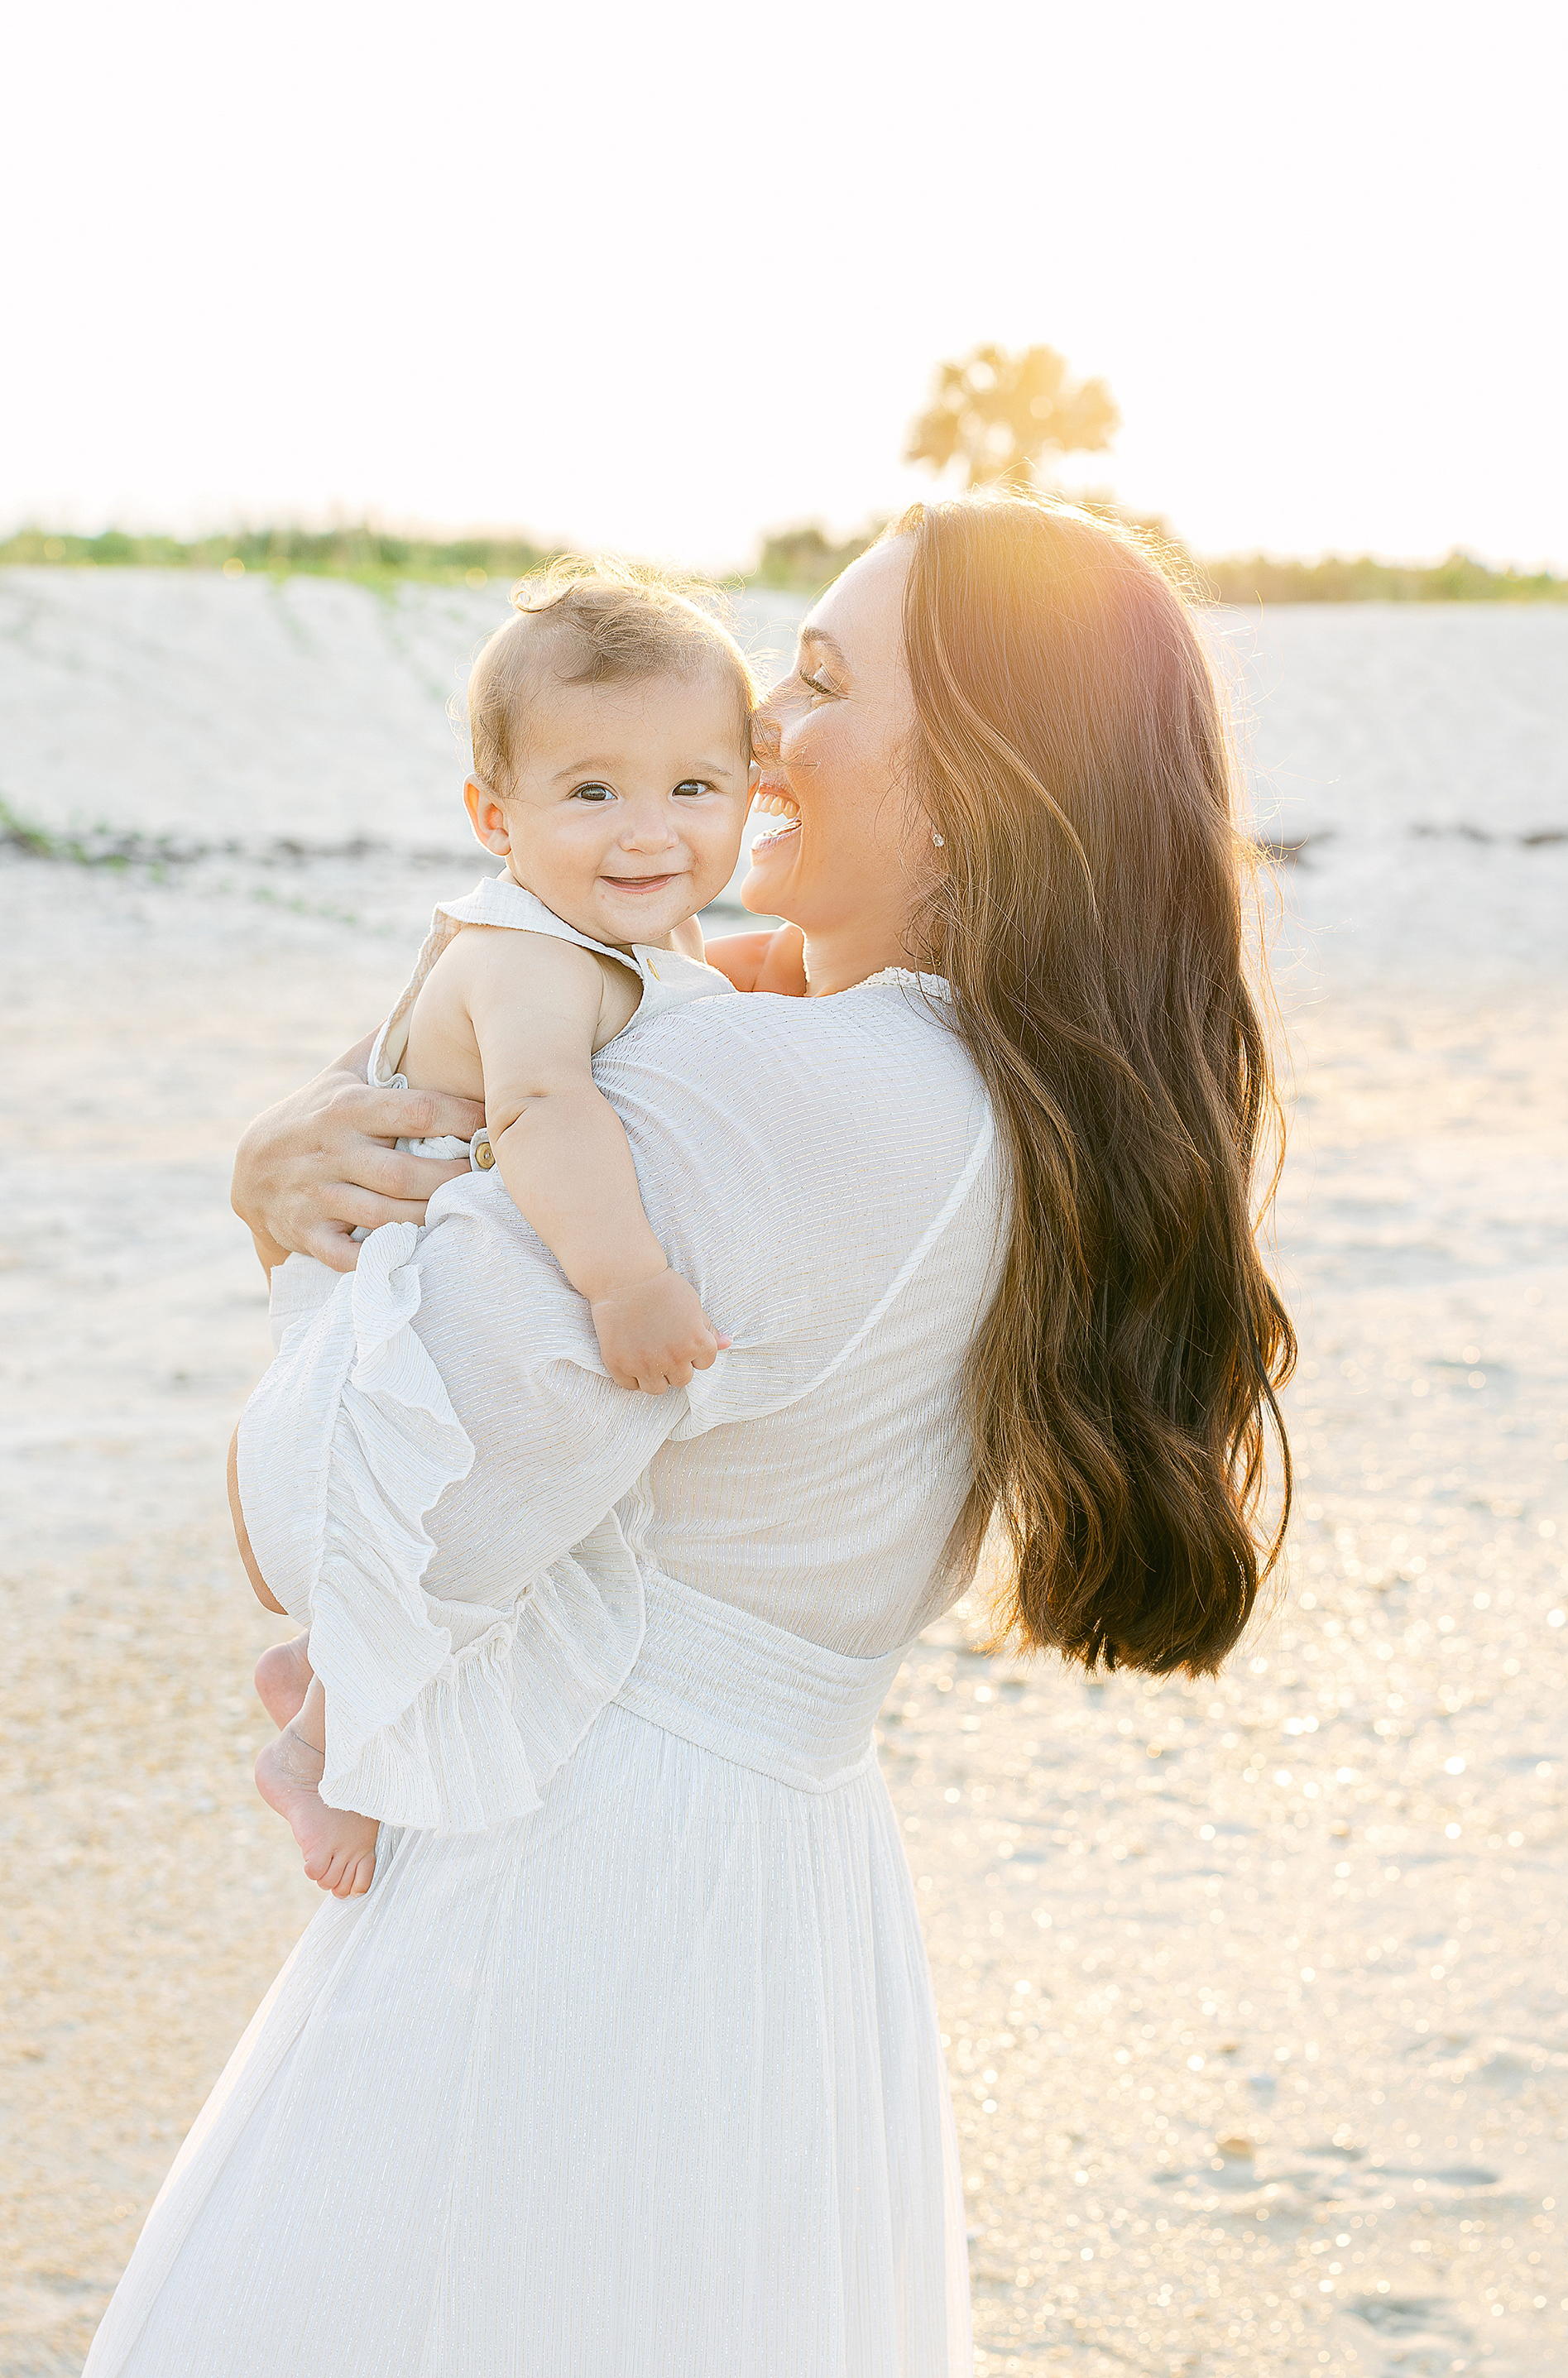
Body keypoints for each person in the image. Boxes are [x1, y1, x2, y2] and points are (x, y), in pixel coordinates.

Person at [84, 494, 1293, 2378]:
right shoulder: (996, 1090)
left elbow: (344, 1530)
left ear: (970, 785)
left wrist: (287, 1209)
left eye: (813, 683)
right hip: (777, 1890)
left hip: (585, 1891)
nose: (753, 732)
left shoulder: (761, 1093)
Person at [250, 564, 755, 1900]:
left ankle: (323, 1664)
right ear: (496, 816)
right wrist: (628, 1278)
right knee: (460, 1517)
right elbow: (539, 1110)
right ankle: (322, 1752)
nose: (648, 831)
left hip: (412, 1297)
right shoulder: (529, 956)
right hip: (391, 1323)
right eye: (593, 792)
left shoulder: (629, 932)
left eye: (693, 788)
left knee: (497, 1536)